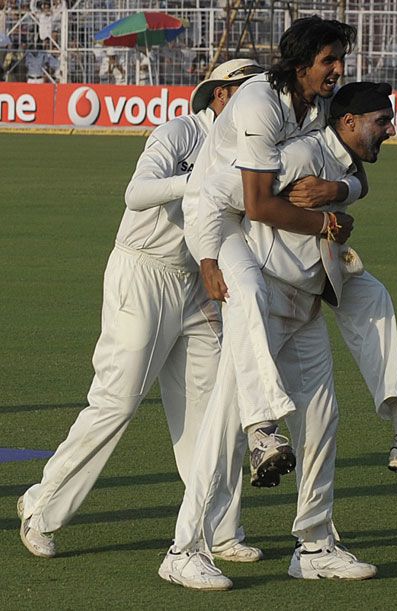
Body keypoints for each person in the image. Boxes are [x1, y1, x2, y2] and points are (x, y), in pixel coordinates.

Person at [17, 59, 266, 564]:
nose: (257, 103)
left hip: (199, 280)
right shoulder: (179, 132)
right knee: (117, 401)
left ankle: (219, 528)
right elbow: (136, 192)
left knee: (214, 412)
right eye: (248, 91)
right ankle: (40, 508)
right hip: (143, 272)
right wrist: (196, 184)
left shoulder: (253, 150)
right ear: (220, 95)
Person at [159, 81, 397, 591]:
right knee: (226, 428)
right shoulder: (290, 145)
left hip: (306, 302)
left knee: (322, 423)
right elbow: (220, 193)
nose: (392, 129)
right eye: (383, 120)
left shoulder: (320, 137)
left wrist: (341, 193)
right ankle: (185, 550)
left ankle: (314, 546)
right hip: (261, 300)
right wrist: (208, 254)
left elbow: (355, 178)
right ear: (349, 122)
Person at [182, 15, 362, 488]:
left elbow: (355, 171)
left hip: (255, 220)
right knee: (248, 293)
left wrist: (338, 189)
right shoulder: (260, 101)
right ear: (300, 63)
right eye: (329, 60)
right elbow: (259, 204)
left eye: (341, 59)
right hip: (219, 216)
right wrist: (328, 223)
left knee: (365, 289)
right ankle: (262, 428)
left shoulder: (318, 106)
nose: (338, 69)